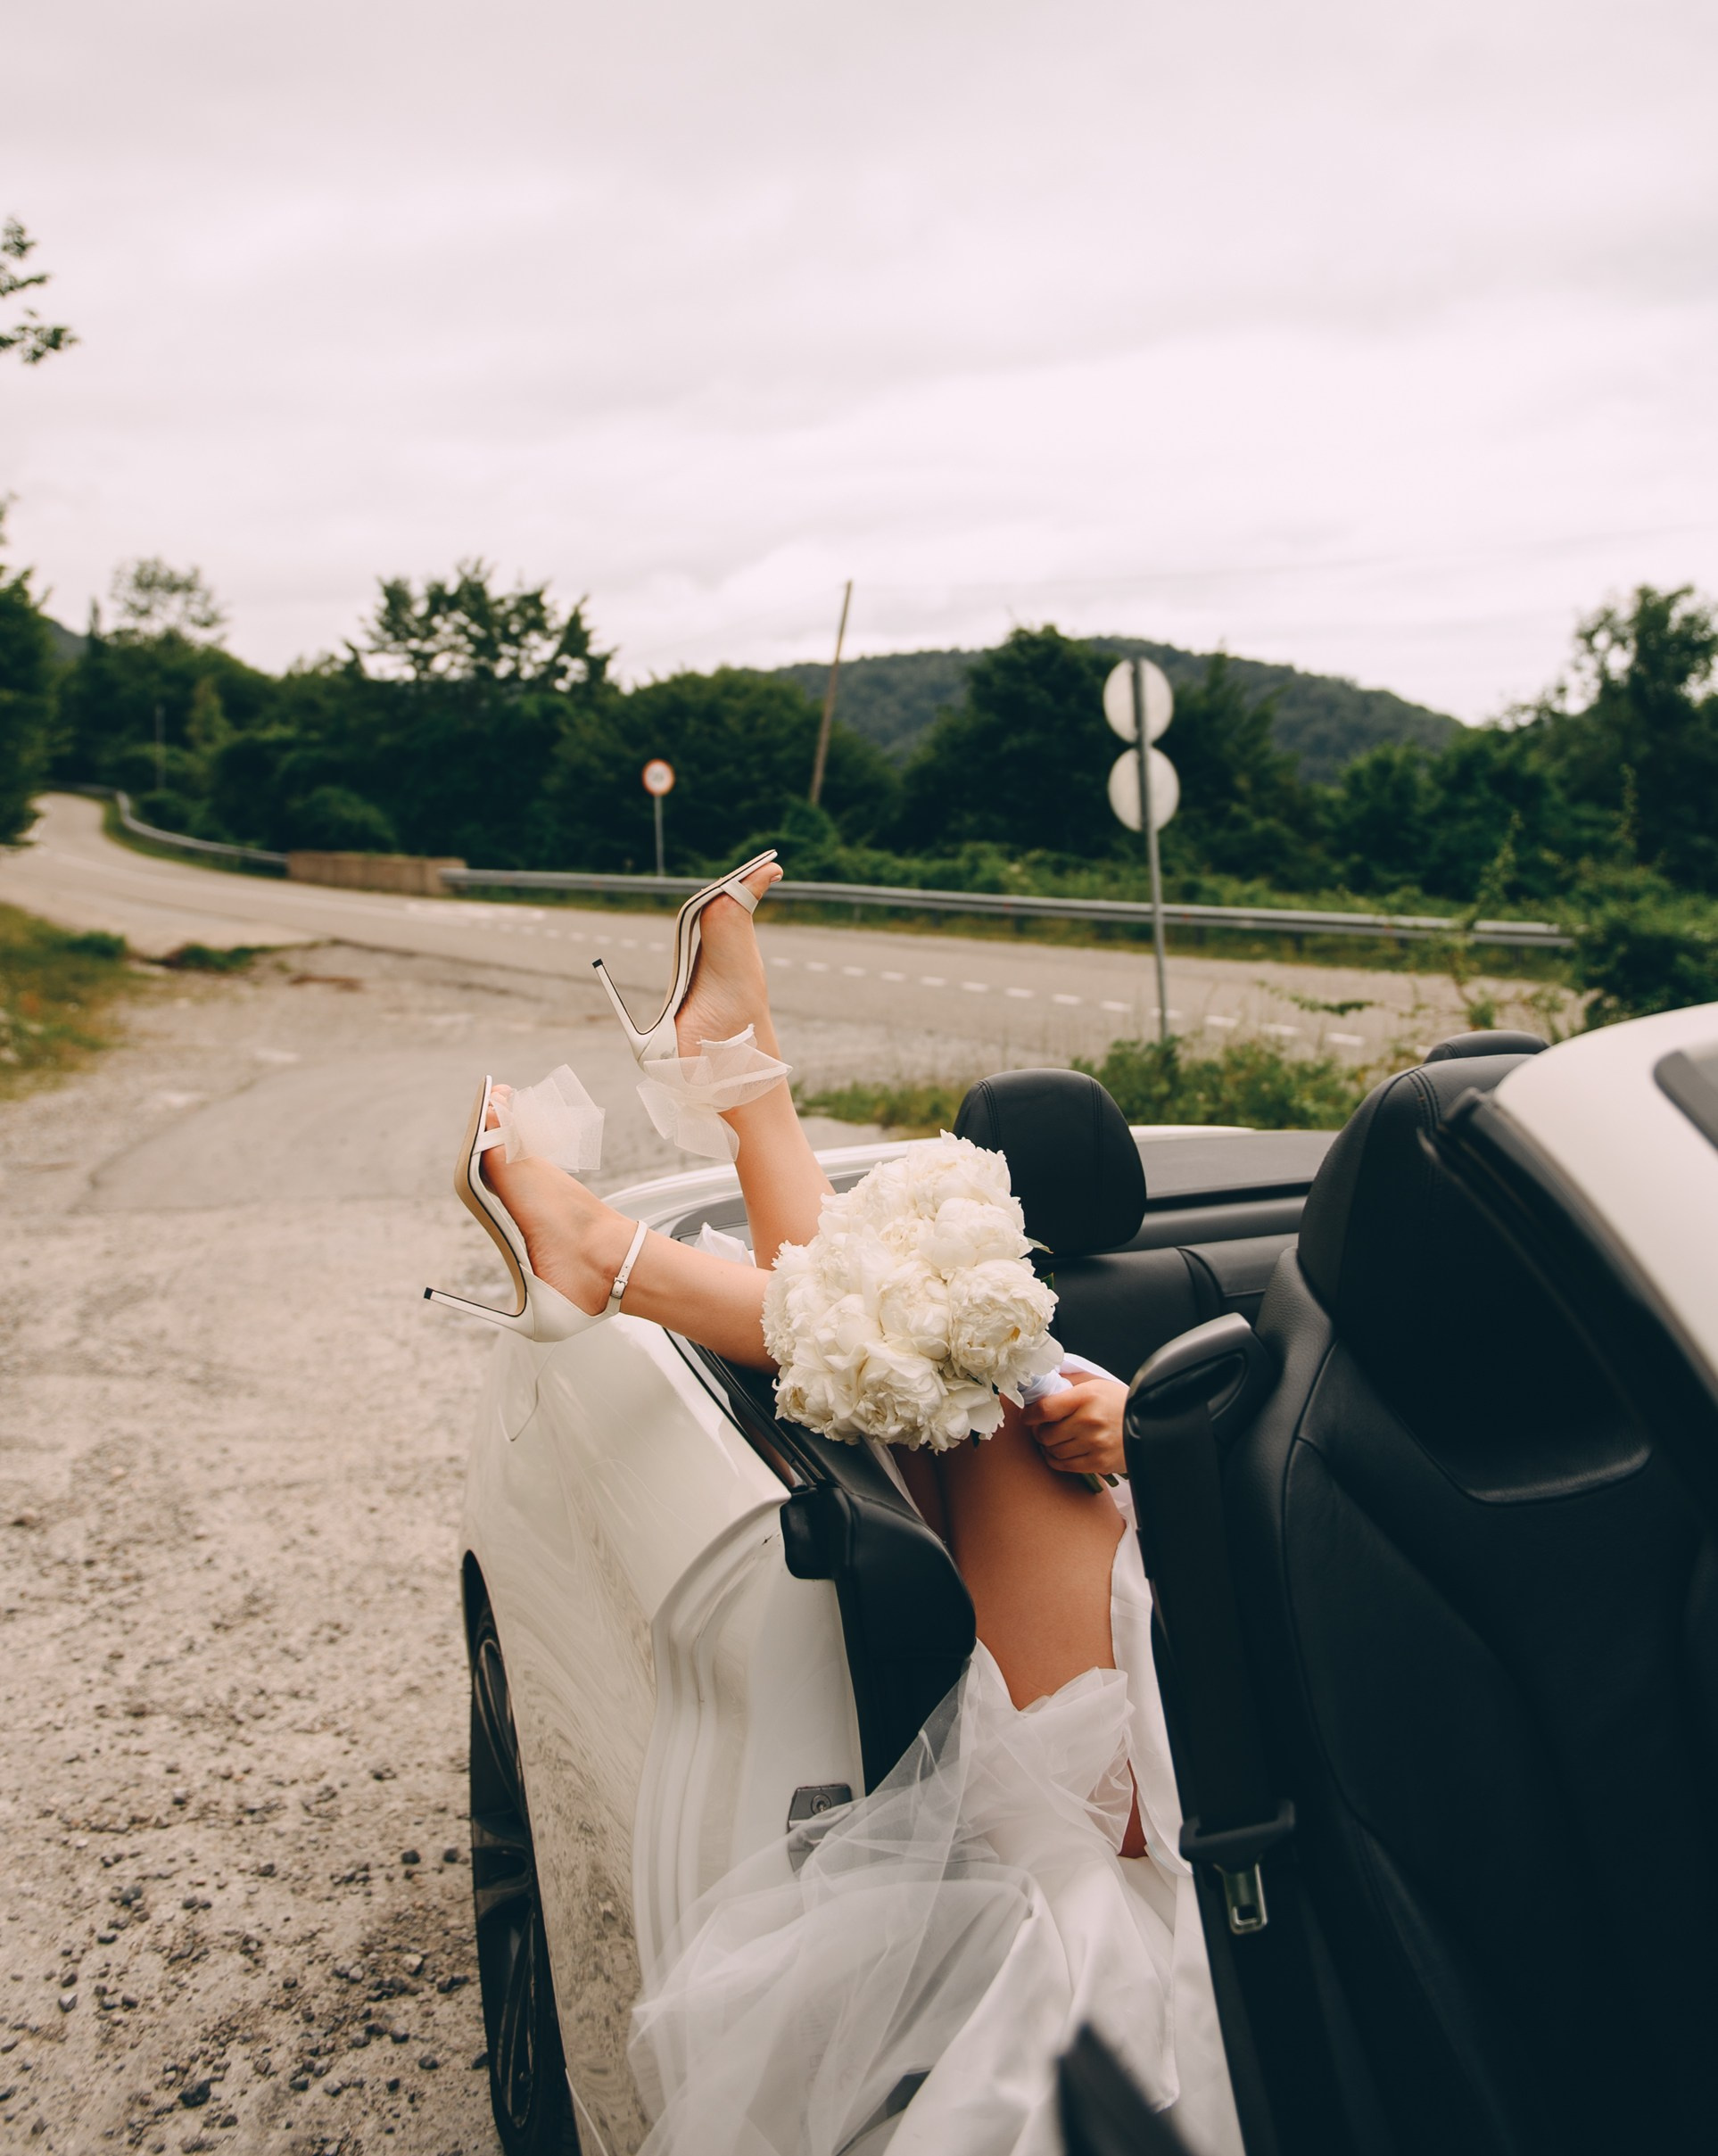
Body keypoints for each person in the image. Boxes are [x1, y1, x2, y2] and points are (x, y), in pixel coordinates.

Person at [453, 860, 1241, 2156]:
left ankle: (664, 1183)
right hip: (1217, 1695)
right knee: (954, 1366)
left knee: (959, 1371)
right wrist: (1133, 1432)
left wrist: (1150, 1456)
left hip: (1193, 1799)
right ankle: (693, 1139)